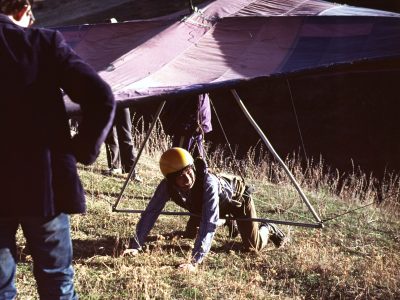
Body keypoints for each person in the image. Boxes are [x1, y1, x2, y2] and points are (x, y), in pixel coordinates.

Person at [0, 1, 115, 299]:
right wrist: (82, 148)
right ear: (23, 7)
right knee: (56, 280)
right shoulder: (44, 43)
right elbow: (100, 96)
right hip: (43, 186)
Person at [123, 148, 286, 272]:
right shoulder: (167, 186)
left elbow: (209, 222)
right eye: (180, 176)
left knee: (253, 246)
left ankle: (268, 227)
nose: (187, 178)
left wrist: (194, 261)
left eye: (188, 171)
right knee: (190, 234)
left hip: (237, 202)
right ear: (171, 179)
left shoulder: (208, 183)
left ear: (193, 167)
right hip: (204, 206)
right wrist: (135, 245)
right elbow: (150, 213)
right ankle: (227, 221)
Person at [104, 107, 141, 181]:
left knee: (126, 136)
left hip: (122, 100)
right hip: (107, 100)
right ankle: (115, 166)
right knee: (110, 134)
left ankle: (133, 171)